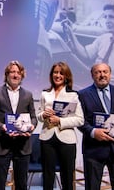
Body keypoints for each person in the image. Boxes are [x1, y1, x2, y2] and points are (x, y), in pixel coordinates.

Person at [77, 63, 114, 190]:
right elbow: (80, 121)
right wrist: (93, 132)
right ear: (92, 75)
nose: (102, 75)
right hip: (94, 150)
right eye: (97, 72)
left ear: (110, 74)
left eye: (105, 72)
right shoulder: (82, 94)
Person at [0, 60, 37, 190]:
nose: (15, 75)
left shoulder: (28, 94)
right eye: (12, 72)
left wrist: (32, 126)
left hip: (22, 144)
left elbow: (33, 117)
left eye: (18, 72)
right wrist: (2, 126)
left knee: (21, 184)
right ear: (7, 74)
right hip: (2, 144)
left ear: (22, 75)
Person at [37, 61, 84, 190]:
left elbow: (80, 120)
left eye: (61, 73)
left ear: (66, 76)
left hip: (67, 138)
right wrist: (44, 115)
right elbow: (38, 115)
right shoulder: (45, 93)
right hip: (47, 137)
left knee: (67, 175)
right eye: (55, 72)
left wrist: (60, 121)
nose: (58, 75)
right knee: (47, 175)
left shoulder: (73, 95)